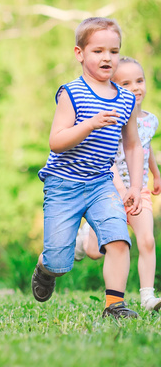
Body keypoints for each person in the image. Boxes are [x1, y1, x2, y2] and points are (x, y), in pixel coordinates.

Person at [30, 17, 143, 319]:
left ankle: (114, 305)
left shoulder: (125, 100)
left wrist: (134, 186)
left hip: (101, 184)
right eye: (98, 51)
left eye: (113, 51)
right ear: (80, 54)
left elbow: (132, 145)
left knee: (119, 239)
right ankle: (45, 266)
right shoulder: (72, 93)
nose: (107, 57)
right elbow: (56, 141)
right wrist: (89, 124)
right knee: (59, 262)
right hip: (63, 184)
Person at [72, 55, 158, 311]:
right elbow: (104, 156)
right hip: (110, 191)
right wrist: (120, 189)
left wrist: (156, 174)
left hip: (139, 190)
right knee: (97, 251)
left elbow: (145, 147)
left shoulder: (151, 119)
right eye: (127, 83)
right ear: (115, 87)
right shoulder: (112, 119)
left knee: (147, 241)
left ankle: (147, 297)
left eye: (140, 81)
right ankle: (85, 238)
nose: (136, 88)